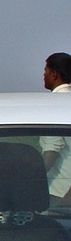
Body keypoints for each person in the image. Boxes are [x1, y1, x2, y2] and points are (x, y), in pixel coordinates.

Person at [41, 52, 71, 202]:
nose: (43, 75)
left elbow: (52, 150)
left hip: (59, 193)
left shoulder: (54, 105)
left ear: (54, 74)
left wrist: (32, 180)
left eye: (45, 71)